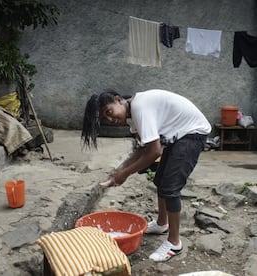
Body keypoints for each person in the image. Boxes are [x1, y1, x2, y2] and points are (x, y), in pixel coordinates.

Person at [81, 88, 211, 262]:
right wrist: (118, 171)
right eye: (106, 119)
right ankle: (161, 224)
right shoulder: (132, 116)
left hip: (192, 134)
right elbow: (142, 149)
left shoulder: (140, 108)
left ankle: (174, 243)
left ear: (119, 100)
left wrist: (124, 174)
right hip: (179, 135)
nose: (111, 119)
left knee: (170, 188)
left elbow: (154, 151)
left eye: (109, 112)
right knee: (160, 180)